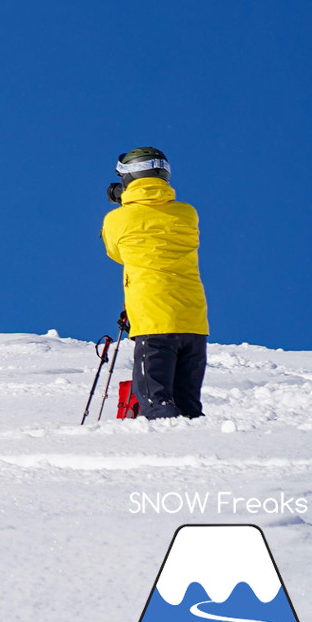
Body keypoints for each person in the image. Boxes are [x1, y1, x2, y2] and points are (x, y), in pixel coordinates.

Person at [102, 147, 208, 419]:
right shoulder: (187, 214)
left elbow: (115, 252)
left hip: (153, 320)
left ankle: (163, 452)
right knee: (189, 408)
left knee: (156, 403)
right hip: (193, 322)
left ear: (128, 177)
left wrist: (122, 201)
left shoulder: (117, 218)